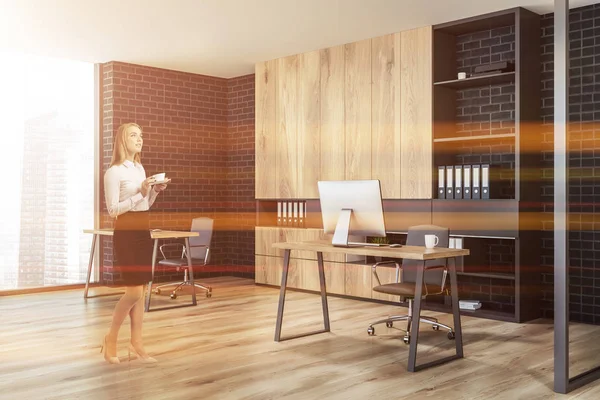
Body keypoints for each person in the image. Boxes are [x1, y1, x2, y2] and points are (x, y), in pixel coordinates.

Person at [100, 122, 168, 364]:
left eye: (141, 135)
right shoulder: (114, 172)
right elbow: (112, 210)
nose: (139, 139)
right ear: (122, 140)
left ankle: (136, 342)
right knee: (134, 291)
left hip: (142, 230)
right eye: (133, 135)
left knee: (141, 291)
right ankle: (111, 338)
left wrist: (154, 191)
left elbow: (144, 205)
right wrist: (141, 191)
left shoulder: (140, 168)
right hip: (126, 232)